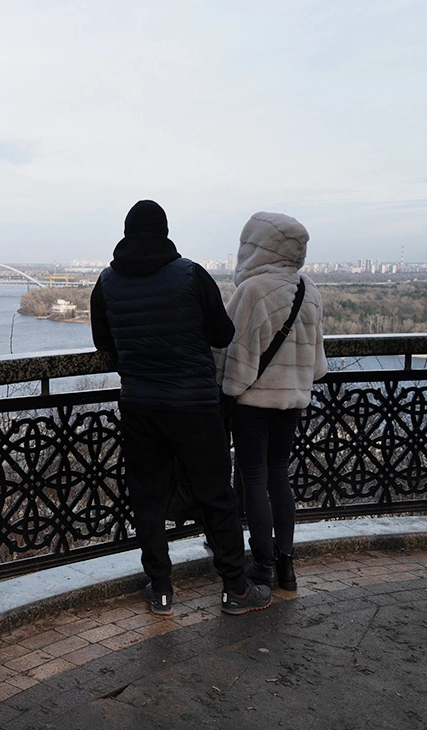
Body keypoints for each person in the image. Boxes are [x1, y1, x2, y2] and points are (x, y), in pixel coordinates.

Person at [91, 200, 272, 616]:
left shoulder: (105, 281)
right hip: (194, 405)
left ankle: (161, 589)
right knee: (215, 495)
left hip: (140, 406)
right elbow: (222, 334)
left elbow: (105, 344)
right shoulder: (191, 274)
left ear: (126, 233)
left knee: (148, 497)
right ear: (165, 231)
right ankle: (235, 588)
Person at [217, 212, 326, 592]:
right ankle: (287, 566)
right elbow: (318, 364)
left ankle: (261, 562)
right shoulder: (308, 290)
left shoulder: (253, 290)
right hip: (293, 400)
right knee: (279, 477)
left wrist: (228, 391)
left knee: (254, 478)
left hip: (253, 403)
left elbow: (233, 356)